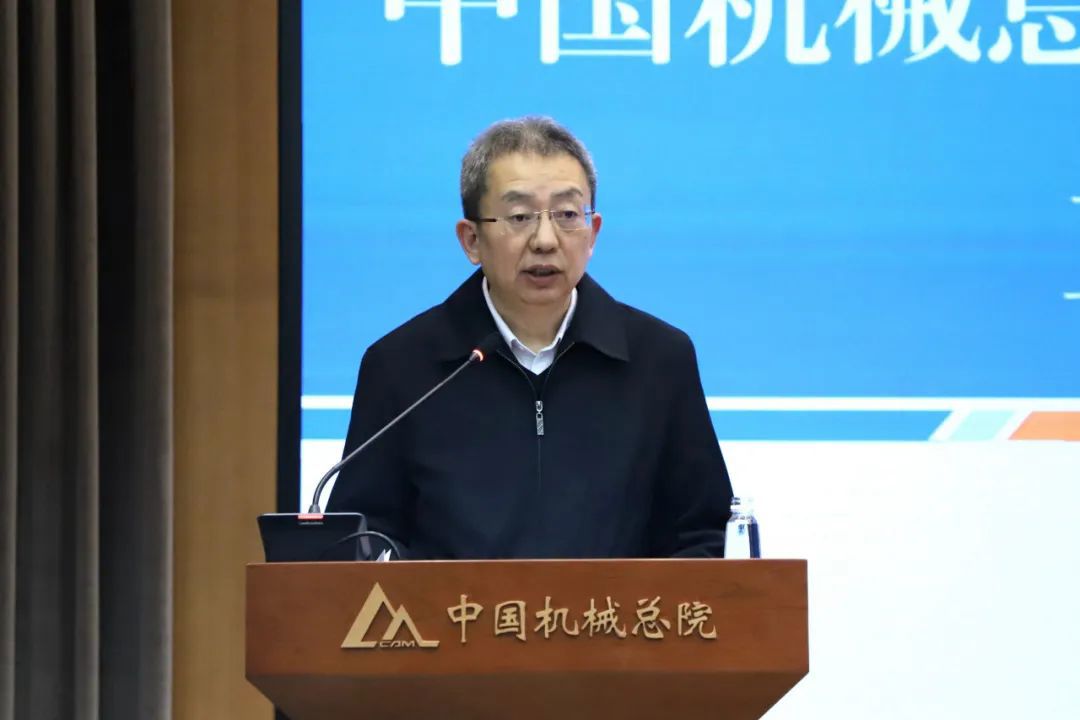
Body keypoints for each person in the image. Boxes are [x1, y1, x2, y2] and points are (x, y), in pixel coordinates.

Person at [327, 116, 733, 559]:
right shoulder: (401, 367)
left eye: (567, 215)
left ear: (593, 233)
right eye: (520, 217)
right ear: (471, 240)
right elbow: (362, 541)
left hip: (616, 609)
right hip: (454, 608)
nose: (545, 240)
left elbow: (703, 537)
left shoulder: (660, 360)